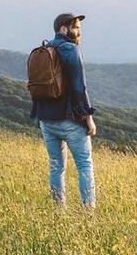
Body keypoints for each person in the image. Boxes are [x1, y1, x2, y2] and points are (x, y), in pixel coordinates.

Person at [31, 12, 97, 207]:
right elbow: (79, 87)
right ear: (63, 29)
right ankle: (89, 215)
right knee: (84, 166)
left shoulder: (44, 49)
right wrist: (88, 117)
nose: (78, 31)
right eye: (75, 27)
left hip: (46, 121)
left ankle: (58, 212)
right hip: (70, 121)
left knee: (56, 167)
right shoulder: (71, 50)